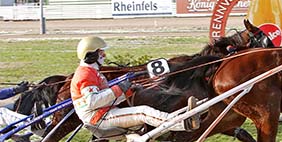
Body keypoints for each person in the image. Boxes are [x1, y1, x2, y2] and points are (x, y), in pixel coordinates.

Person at [70, 36, 200, 135]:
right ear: (91, 55)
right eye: (101, 52)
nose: (104, 55)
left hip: (104, 112)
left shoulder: (92, 72)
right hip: (98, 118)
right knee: (143, 112)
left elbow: (107, 99)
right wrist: (119, 88)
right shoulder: (85, 75)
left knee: (144, 109)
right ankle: (183, 123)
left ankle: (180, 119)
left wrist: (129, 91)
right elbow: (93, 102)